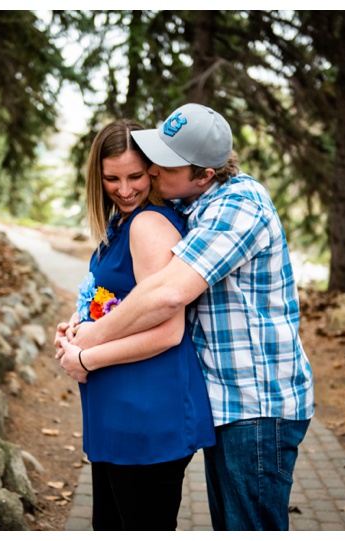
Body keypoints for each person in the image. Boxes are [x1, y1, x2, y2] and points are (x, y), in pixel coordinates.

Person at [63, 103, 315, 531]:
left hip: (257, 403)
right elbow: (128, 290)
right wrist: (80, 321)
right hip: (226, 401)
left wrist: (88, 343)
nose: (153, 171)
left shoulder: (238, 206)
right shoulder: (193, 206)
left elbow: (167, 296)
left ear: (204, 174)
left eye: (164, 164)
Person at [54, 118, 215, 531]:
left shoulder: (147, 225)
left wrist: (86, 358)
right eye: (112, 178)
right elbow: (120, 300)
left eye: (136, 176)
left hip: (147, 420)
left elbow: (168, 330)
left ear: (154, 171)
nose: (125, 190)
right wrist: (78, 322)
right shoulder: (120, 223)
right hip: (119, 417)